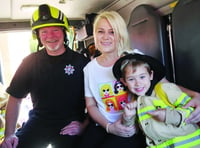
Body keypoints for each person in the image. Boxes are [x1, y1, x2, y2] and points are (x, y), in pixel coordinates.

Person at [1, 4, 90, 148]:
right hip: (37, 123)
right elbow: (15, 98)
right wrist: (9, 134)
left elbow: (95, 100)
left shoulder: (81, 62)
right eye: (44, 32)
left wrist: (83, 126)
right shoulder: (29, 62)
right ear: (38, 36)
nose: (50, 36)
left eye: (55, 30)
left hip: (70, 125)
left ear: (64, 32)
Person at [79, 11, 146, 148]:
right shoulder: (89, 68)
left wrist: (195, 96)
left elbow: (162, 84)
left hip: (132, 126)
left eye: (112, 32)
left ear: (120, 34)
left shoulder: (135, 57)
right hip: (103, 125)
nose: (105, 37)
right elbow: (91, 105)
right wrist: (109, 127)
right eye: (100, 31)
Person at [112, 53, 200, 148]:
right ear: (124, 82)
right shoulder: (136, 100)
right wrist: (128, 116)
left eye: (142, 77)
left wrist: (168, 116)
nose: (138, 83)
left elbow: (191, 110)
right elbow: (136, 128)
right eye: (131, 79)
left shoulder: (165, 89)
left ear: (151, 75)